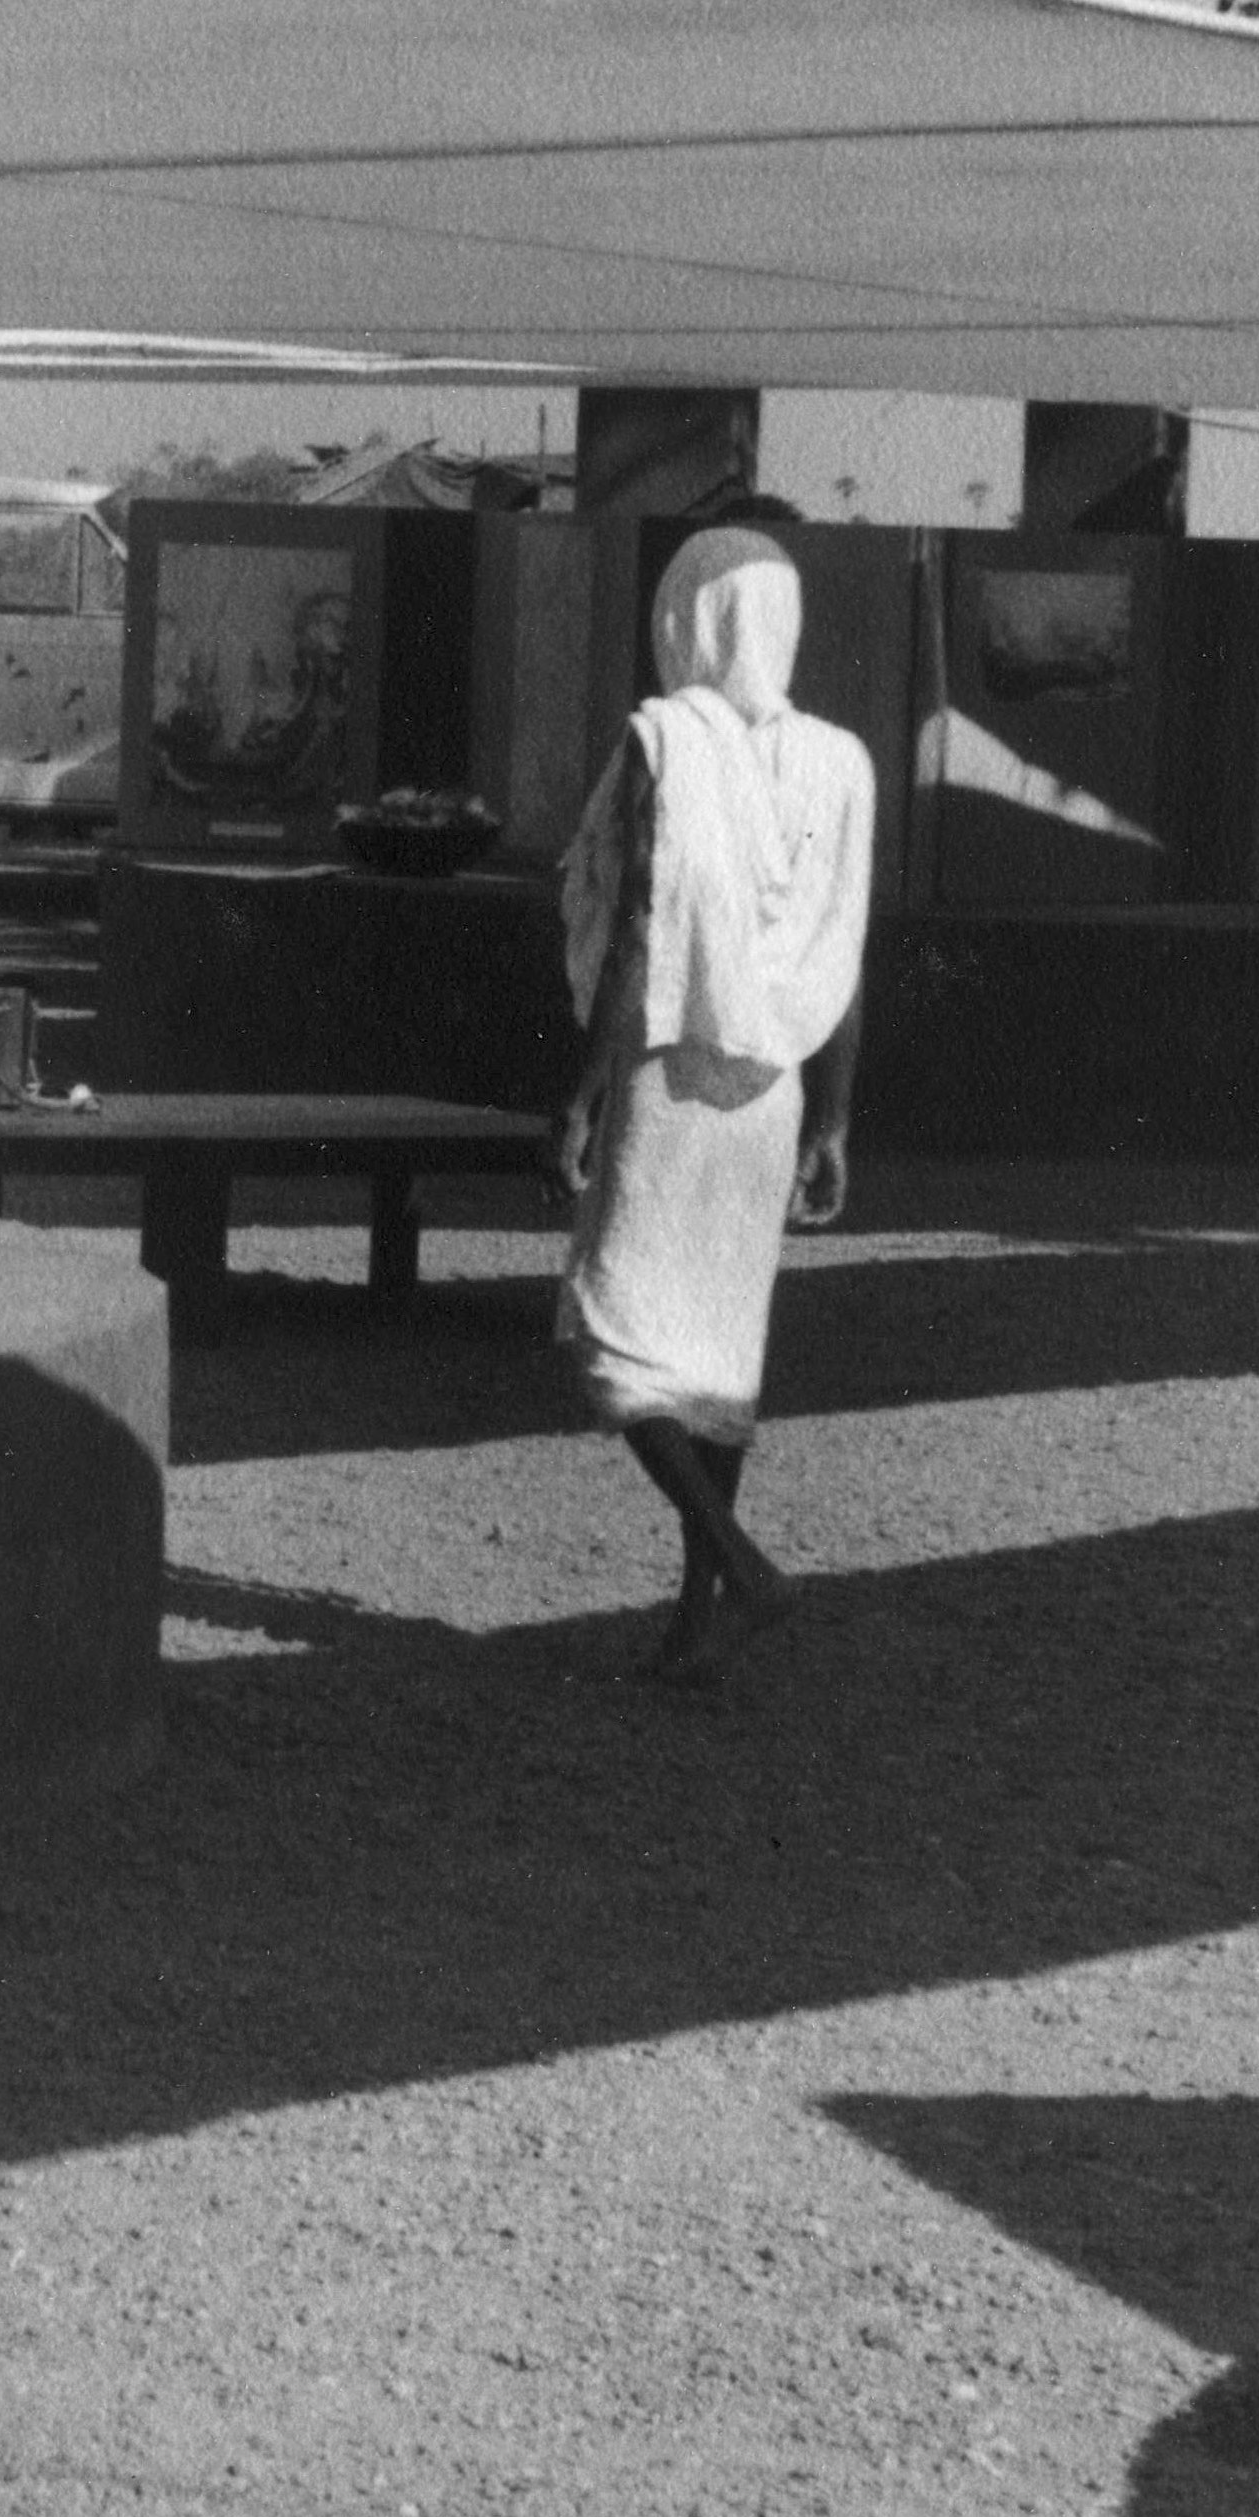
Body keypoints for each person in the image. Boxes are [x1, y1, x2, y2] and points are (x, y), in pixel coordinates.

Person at [548, 525, 872, 1678]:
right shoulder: (841, 762)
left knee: (611, 1339)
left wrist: (582, 1094)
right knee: (717, 1361)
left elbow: (642, 923)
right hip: (770, 1091)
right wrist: (831, 1120)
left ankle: (737, 1560)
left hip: (666, 1073)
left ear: (687, 616)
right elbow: (842, 951)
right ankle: (697, 1615)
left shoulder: (665, 738)